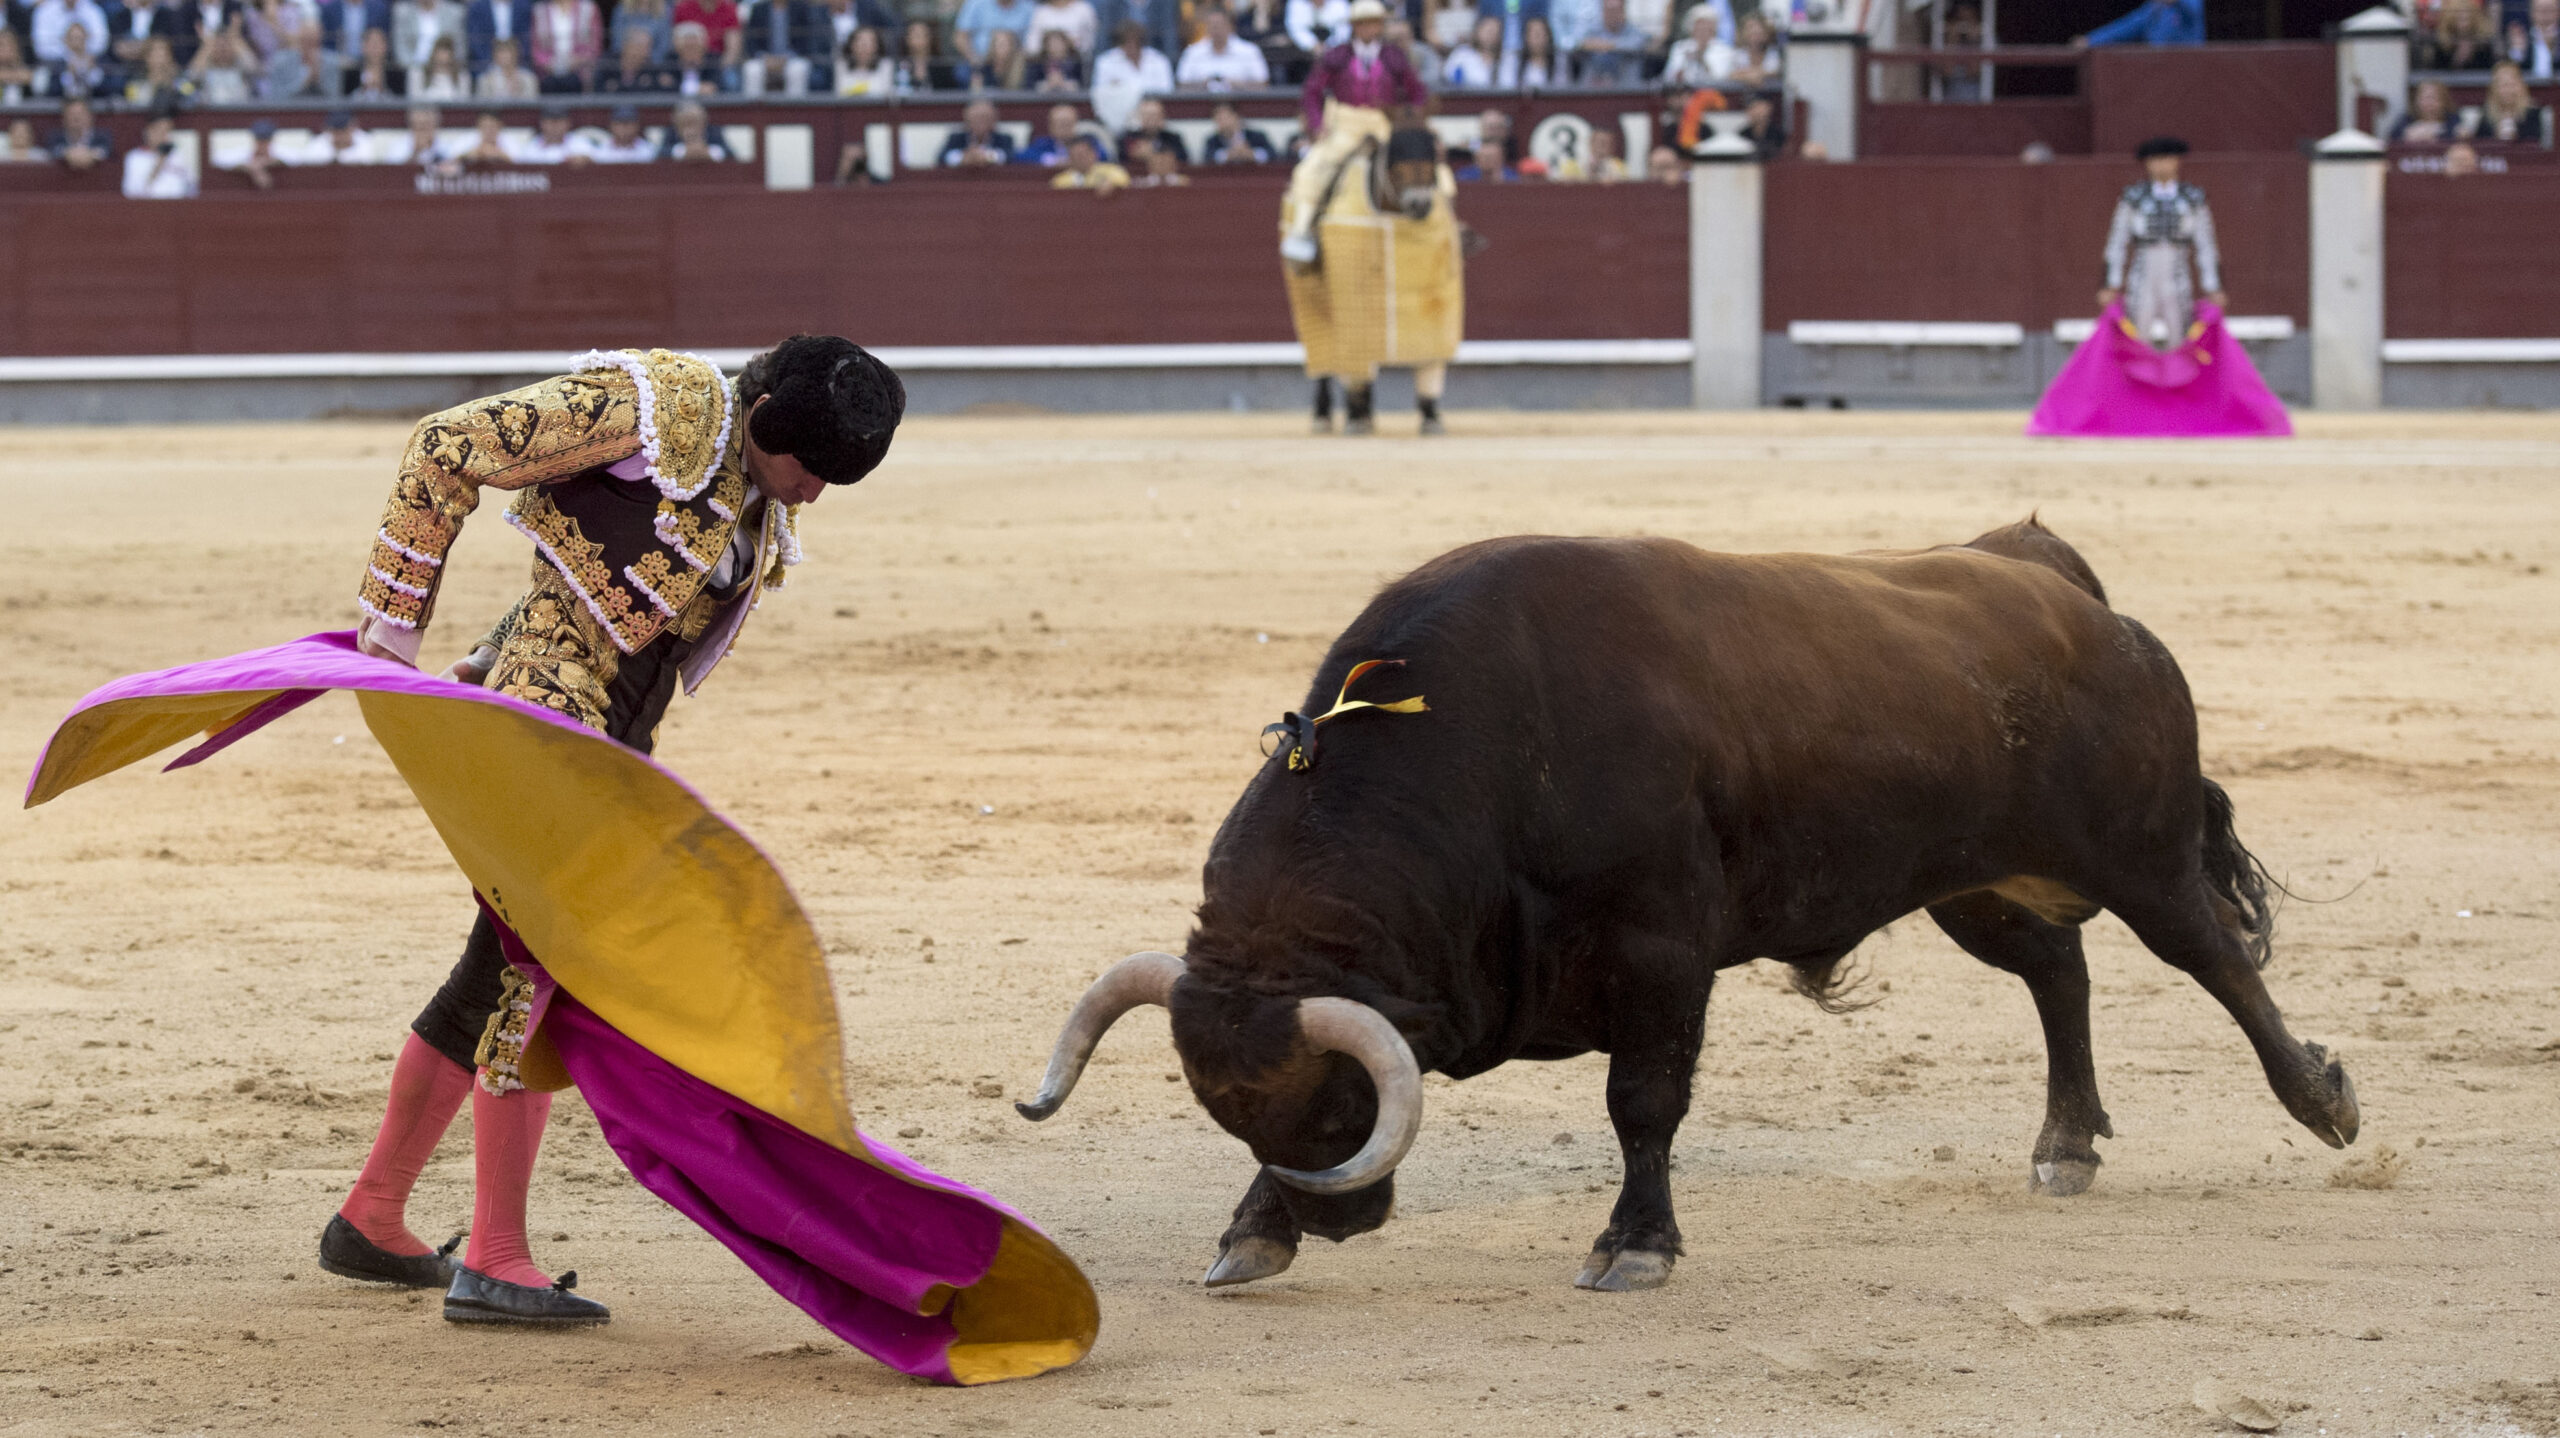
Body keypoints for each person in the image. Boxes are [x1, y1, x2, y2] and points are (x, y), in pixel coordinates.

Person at [333, 337, 904, 1325]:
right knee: (539, 970)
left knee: (492, 967)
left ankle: (373, 1215)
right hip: (548, 726)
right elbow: (446, 442)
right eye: (803, 469)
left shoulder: (759, 469)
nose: (809, 494)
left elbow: (615, 582)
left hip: (612, 738)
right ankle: (494, 1258)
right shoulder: (653, 408)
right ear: (764, 419)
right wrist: (392, 627)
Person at [1281, 0, 1425, 264]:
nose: (1370, 28)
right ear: (1354, 27)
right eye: (1364, 23)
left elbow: (1417, 91)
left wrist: (1411, 117)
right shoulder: (1337, 56)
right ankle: (1302, 231)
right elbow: (1312, 92)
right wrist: (1316, 123)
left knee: (1423, 164)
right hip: (1346, 123)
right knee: (1315, 166)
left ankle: (1442, 224)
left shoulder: (1393, 56)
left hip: (1384, 123)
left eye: (1374, 22)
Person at [2098, 136, 2219, 348]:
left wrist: (2213, 286)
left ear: (2177, 161)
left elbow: (2206, 245)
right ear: (2147, 163)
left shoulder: (2193, 198)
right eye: (2156, 159)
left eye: (2167, 159)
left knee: (2182, 338)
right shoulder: (2133, 198)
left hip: (2178, 271)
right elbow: (2117, 242)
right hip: (2143, 273)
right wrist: (2110, 284)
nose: (2161, 165)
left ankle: (2178, 381)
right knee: (2136, 338)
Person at [1178, 6, 1269, 89]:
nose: (1216, 29)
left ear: (1230, 26)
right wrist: (1204, 85)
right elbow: (1181, 85)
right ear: (1207, 27)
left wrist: (1237, 85)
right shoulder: (1193, 52)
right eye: (1212, 25)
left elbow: (1263, 84)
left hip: (1240, 103)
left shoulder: (1249, 51)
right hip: (1201, 105)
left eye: (1219, 25)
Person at [121, 104, 200, 195]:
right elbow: (132, 192)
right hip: (149, 207)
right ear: (149, 132)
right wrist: (159, 163)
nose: (165, 136)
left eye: (168, 131)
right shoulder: (135, 157)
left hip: (179, 206)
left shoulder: (177, 154)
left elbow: (193, 186)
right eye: (161, 131)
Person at [528, 0, 603, 90]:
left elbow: (595, 45)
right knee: (549, 84)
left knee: (574, 82)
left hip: (580, 71)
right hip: (548, 73)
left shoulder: (588, 8)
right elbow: (535, 48)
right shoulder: (540, 11)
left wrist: (578, 60)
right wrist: (549, 63)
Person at [2464, 59, 2546, 142]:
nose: (2508, 90)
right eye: (2503, 85)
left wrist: (2516, 136)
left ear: (2522, 86)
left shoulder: (2533, 113)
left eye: (2512, 85)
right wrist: (2495, 136)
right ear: (2493, 89)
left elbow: (2536, 143)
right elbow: (2481, 143)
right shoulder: (2486, 114)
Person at [1570, 0, 1646, 86]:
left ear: (1623, 11)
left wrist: (1609, 45)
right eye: (1608, 10)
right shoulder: (1592, 30)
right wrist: (1588, 45)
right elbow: (1577, 43)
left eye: (1615, 10)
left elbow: (1638, 44)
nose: (1611, 15)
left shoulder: (1633, 31)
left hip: (1625, 89)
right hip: (1592, 89)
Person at [2417, 0, 2500, 70]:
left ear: (2475, 19)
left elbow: (2489, 70)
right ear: (2451, 19)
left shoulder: (2484, 44)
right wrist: (2457, 60)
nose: (2464, 24)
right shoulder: (2441, 44)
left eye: (2467, 18)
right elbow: (2436, 73)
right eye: (2459, 18)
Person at [2080, 0, 2201, 47]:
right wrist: (2090, 40)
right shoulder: (2152, 9)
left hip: (2187, 69)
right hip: (2159, 69)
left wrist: (2176, 2)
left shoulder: (2191, 3)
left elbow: (2193, 12)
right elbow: (2123, 28)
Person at [938, 94, 1012, 163]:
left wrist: (987, 157)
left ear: (993, 121)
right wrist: (964, 157)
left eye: (985, 118)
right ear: (967, 120)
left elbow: (1010, 156)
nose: (980, 123)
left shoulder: (1004, 139)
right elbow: (942, 157)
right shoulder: (956, 138)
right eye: (976, 118)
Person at [1118, 94, 1187, 162]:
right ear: (1139, 118)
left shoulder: (1173, 139)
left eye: (1154, 116)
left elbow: (1183, 160)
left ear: (1162, 117)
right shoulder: (1128, 138)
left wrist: (1154, 154)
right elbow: (1121, 160)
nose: (1151, 120)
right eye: (1147, 116)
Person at [1049, 128, 1127, 188]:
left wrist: (1111, 183)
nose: (1079, 159)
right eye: (1074, 156)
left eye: (1082, 155)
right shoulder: (1062, 179)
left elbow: (1123, 178)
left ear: (1094, 154)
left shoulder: (1109, 171)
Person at [49, 95, 112, 169]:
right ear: (63, 118)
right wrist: (68, 154)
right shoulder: (54, 138)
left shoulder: (103, 137)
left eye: (80, 114)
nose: (76, 118)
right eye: (72, 115)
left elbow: (106, 152)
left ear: (90, 116)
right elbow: (52, 152)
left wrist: (89, 155)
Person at [1015, 99, 1085, 163]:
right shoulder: (1043, 143)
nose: (1064, 128)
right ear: (1051, 126)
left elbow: (1095, 156)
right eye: (1060, 124)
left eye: (1068, 123)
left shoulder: (1086, 142)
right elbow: (1020, 156)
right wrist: (1050, 159)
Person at [1203, 99, 1273, 163]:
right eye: (1218, 118)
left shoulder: (1256, 136)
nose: (1222, 122)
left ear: (1237, 116)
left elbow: (1272, 155)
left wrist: (1250, 154)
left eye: (1225, 117)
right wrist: (1228, 155)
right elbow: (1208, 157)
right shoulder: (1212, 141)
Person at [659, 96, 731, 157]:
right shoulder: (672, 131)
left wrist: (709, 152)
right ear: (677, 123)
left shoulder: (713, 130)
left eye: (694, 123)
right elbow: (661, 154)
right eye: (685, 124)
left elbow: (729, 154)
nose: (691, 129)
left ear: (703, 121)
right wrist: (682, 151)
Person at [2392, 79, 2457, 145]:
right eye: (2425, 98)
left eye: (2434, 98)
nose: (2430, 103)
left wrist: (2436, 133)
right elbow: (2393, 140)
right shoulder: (2406, 119)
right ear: (2417, 100)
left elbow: (2458, 135)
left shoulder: (2453, 119)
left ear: (2444, 101)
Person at [1023, 0, 1096, 57]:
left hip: (1077, 62)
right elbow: (1031, 46)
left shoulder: (1084, 9)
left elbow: (1090, 42)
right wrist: (1050, 45)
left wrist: (1070, 45)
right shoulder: (1040, 12)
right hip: (1045, 63)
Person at [1441, 14, 1499, 85]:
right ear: (1478, 31)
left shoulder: (1507, 58)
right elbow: (1448, 75)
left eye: (1495, 32)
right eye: (1488, 31)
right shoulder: (1462, 53)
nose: (1491, 35)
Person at [587, 101, 658, 158]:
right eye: (619, 123)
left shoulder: (648, 151)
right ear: (611, 126)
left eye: (628, 123)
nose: (624, 128)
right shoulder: (600, 152)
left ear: (637, 125)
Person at [833, 23, 892, 92]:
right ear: (851, 45)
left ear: (877, 45)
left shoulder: (886, 65)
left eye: (869, 41)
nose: (864, 45)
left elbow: (885, 92)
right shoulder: (841, 65)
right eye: (860, 40)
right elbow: (840, 91)